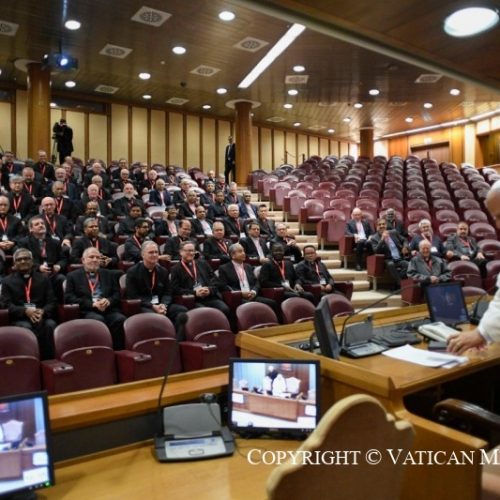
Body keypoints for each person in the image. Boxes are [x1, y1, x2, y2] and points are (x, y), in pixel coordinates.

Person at [448, 182, 500, 354]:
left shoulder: (471, 240)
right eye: (495, 218)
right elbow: (449, 250)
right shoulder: (453, 239)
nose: (497, 225)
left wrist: (481, 333)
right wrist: (484, 333)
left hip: (474, 259)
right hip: (462, 259)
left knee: (483, 262)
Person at [0, 248, 57, 359]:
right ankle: (30, 360)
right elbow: (6, 304)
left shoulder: (43, 279)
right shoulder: (7, 281)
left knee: (50, 325)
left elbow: (52, 301)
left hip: (41, 316)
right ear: (14, 263)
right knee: (26, 327)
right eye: (19, 259)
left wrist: (43, 311)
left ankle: (49, 360)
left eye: (26, 258)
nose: (23, 261)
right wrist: (25, 311)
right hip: (20, 318)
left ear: (32, 261)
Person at [65, 247, 126, 349]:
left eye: (97, 257)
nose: (95, 260)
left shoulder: (108, 274)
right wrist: (92, 304)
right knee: (98, 320)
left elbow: (117, 294)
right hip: (87, 310)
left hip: (107, 309)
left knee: (120, 319)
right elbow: (69, 297)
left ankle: (118, 350)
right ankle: (101, 350)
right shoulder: (73, 276)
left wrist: (109, 301)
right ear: (83, 260)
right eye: (91, 257)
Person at [125, 241, 188, 332]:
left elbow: (168, 292)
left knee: (182, 310)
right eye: (151, 252)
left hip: (161, 304)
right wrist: (152, 306)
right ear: (143, 255)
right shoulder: (132, 272)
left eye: (156, 252)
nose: (154, 255)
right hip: (144, 305)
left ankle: (177, 337)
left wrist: (164, 304)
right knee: (155, 317)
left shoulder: (163, 271)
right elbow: (133, 296)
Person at [170, 241, 230, 316]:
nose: (191, 253)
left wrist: (209, 290)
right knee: (204, 313)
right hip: (193, 300)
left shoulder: (203, 263)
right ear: (181, 252)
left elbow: (215, 281)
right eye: (188, 251)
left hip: (209, 297)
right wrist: (195, 293)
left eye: (193, 251)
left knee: (224, 309)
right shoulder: (175, 269)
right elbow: (175, 289)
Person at [217, 243, 278, 313]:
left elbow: (257, 282)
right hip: (238, 298)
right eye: (240, 251)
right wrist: (241, 293)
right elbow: (224, 286)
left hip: (252, 295)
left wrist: (254, 291)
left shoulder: (248, 266)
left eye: (243, 251)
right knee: (252, 306)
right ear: (233, 255)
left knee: (272, 303)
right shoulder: (224, 268)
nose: (243, 253)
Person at [368, 218, 410, 288]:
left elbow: (404, 240)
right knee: (391, 265)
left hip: (399, 258)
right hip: (388, 259)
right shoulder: (374, 238)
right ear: (376, 227)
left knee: (408, 264)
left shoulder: (393, 232)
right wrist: (382, 240)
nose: (381, 226)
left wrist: (405, 247)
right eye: (379, 225)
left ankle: (397, 283)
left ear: (386, 225)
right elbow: (375, 251)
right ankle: (401, 284)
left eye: (383, 224)